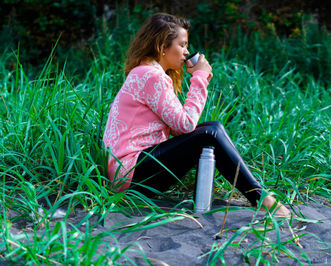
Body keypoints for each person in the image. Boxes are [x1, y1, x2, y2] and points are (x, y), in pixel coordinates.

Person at [103, 13, 291, 217]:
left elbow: (176, 129)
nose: (186, 52)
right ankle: (260, 198)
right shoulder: (150, 75)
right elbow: (185, 126)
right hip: (130, 174)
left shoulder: (147, 72)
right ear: (162, 46)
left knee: (212, 129)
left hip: (130, 173)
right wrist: (199, 77)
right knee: (210, 132)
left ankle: (258, 196)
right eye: (182, 45)